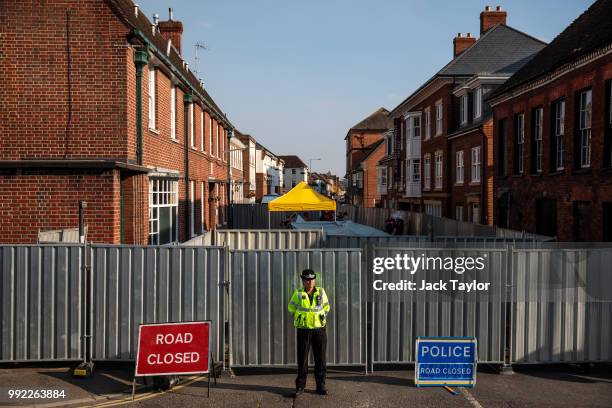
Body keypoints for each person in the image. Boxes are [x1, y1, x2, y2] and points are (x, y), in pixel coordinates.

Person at [287, 269, 330, 397]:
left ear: (315, 280)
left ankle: (320, 386)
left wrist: (320, 318)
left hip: (319, 330)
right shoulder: (298, 294)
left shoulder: (321, 292)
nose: (309, 282)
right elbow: (291, 308)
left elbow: (326, 307)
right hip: (304, 331)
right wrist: (300, 318)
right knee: (302, 359)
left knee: (320, 359)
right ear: (303, 280)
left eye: (311, 279)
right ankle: (300, 387)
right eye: (307, 279)